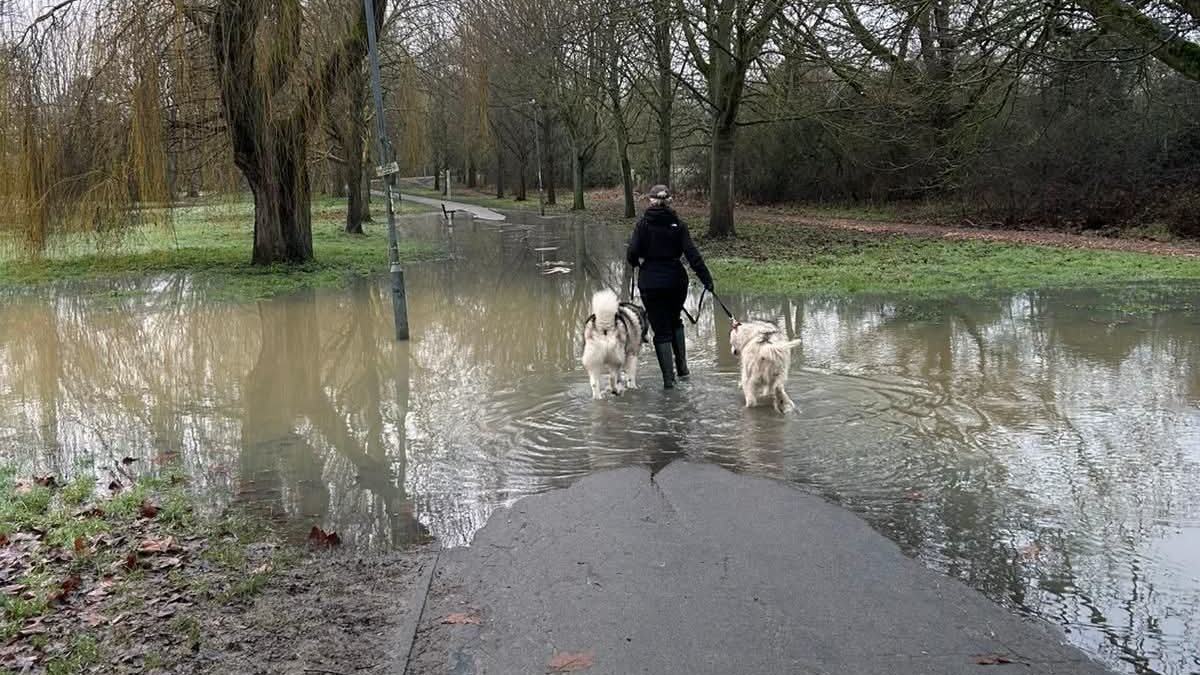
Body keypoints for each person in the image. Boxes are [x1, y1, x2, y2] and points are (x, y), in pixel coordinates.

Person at [626, 185, 714, 389]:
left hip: (651, 284)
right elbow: (693, 255)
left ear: (651, 201)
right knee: (675, 320)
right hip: (676, 282)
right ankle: (683, 369)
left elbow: (632, 253)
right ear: (670, 201)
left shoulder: (642, 225)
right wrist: (707, 279)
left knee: (661, 330)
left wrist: (639, 264)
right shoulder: (679, 225)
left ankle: (669, 382)